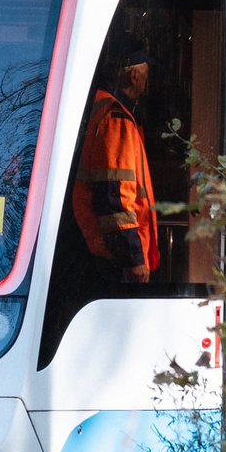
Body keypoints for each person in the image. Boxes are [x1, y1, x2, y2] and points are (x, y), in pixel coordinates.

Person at [73, 42, 158, 285]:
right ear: (135, 75)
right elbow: (115, 200)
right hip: (114, 260)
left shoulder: (107, 110)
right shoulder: (116, 119)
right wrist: (134, 259)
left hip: (106, 253)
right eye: (146, 75)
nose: (146, 81)